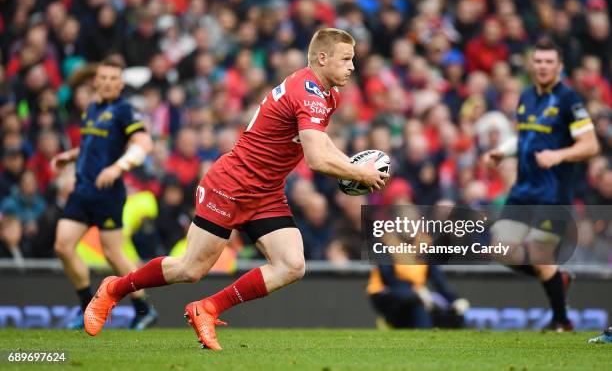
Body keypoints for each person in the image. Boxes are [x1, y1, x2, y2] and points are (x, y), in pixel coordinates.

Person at [84, 28, 389, 350]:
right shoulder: (308, 92)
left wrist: (349, 167)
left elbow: (316, 140)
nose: (353, 66)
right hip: (231, 185)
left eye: (353, 59)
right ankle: (115, 289)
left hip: (266, 190)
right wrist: (358, 172)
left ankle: (208, 308)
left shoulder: (328, 94)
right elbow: (314, 159)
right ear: (323, 58)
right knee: (190, 269)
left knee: (292, 265)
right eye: (346, 59)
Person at [482, 38, 600, 331]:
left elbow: (590, 145)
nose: (543, 66)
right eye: (539, 61)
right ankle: (557, 279)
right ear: (531, 65)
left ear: (559, 66)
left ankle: (561, 321)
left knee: (539, 255)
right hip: (522, 192)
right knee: (499, 249)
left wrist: (558, 154)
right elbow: (526, 137)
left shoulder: (569, 101)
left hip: (552, 194)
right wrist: (503, 152)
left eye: (549, 61)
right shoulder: (526, 97)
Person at [51, 56, 156, 330]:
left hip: (107, 193)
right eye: (104, 78)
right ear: (96, 81)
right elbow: (92, 146)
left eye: (113, 79)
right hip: (82, 189)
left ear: (121, 84)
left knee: (113, 254)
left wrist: (117, 168)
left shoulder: (124, 110)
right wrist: (70, 156)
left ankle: (144, 308)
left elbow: (144, 143)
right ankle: (87, 307)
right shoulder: (92, 109)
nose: (108, 83)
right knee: (62, 245)